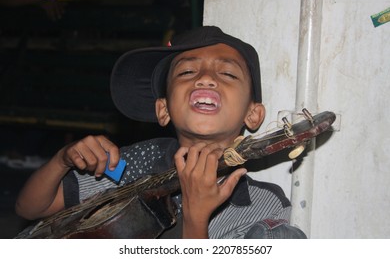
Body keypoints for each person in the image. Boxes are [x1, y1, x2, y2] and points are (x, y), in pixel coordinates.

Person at [15, 26, 306, 239]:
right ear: (163, 109)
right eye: (187, 72)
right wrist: (62, 160)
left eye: (227, 74)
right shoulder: (131, 167)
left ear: (253, 114)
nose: (205, 79)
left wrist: (196, 216)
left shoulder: (263, 205)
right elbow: (29, 209)